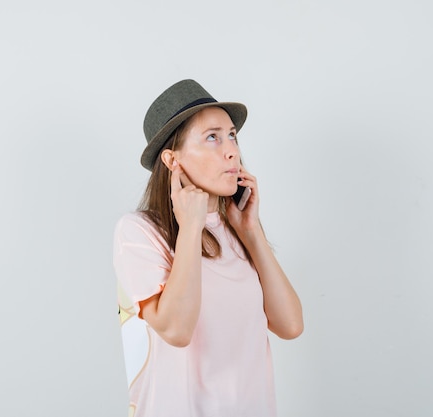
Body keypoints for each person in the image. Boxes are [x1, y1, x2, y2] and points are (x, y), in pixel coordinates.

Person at [113, 79, 303, 417]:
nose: (232, 150)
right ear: (172, 160)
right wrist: (190, 227)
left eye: (232, 135)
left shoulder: (239, 230)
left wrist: (252, 234)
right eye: (212, 137)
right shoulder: (139, 232)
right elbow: (176, 329)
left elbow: (290, 326)